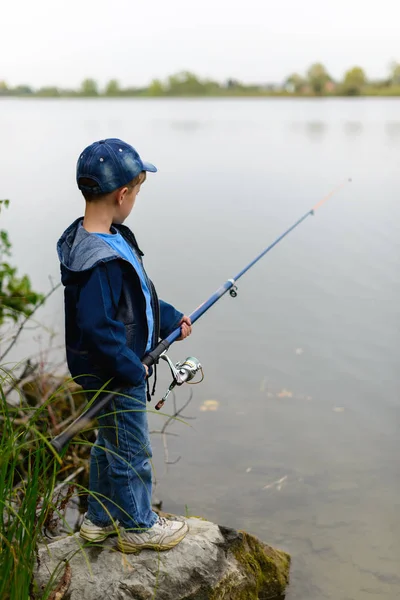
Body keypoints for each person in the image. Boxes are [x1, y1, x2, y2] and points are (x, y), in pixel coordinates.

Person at [57, 138, 192, 552]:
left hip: (116, 369)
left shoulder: (108, 237)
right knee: (132, 449)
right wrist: (132, 370)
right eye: (136, 192)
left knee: (107, 443)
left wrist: (170, 318)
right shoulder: (98, 260)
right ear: (122, 194)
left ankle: (98, 518)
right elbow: (99, 327)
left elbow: (137, 299)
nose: (135, 200)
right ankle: (137, 525)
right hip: (117, 374)